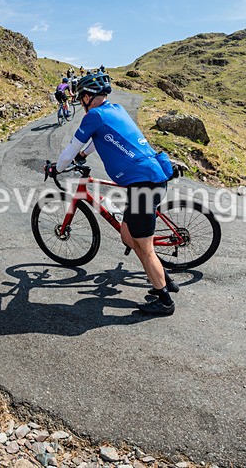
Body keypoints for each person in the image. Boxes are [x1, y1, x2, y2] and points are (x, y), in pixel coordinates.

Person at [48, 72, 178, 315]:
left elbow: (70, 149)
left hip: (144, 186)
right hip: (149, 179)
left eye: (81, 98)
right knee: (128, 237)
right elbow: (102, 139)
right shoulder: (114, 109)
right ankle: (163, 278)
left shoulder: (94, 115)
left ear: (87, 97)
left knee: (144, 247)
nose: (80, 102)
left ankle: (165, 300)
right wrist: (84, 156)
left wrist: (56, 167)